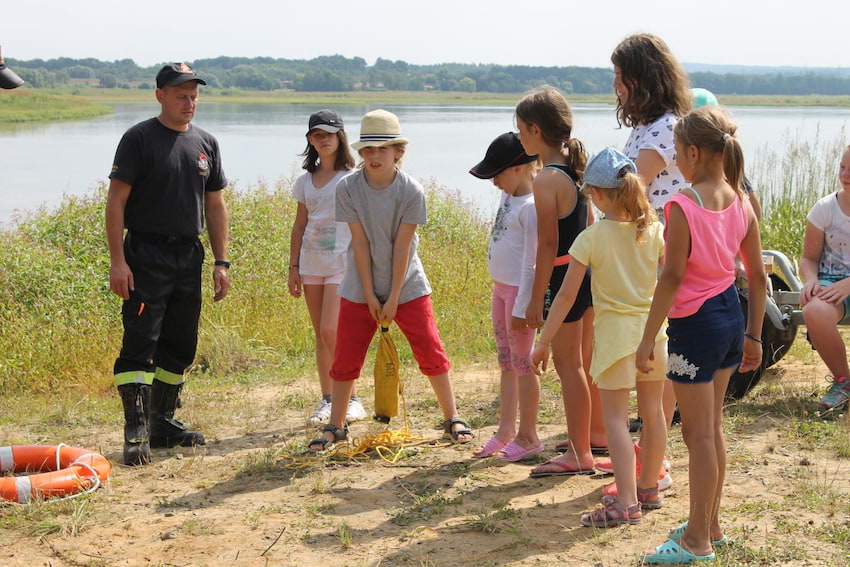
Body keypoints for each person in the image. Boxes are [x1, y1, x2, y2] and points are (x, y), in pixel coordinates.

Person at [635, 106, 766, 563]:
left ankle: (696, 541)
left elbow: (670, 278)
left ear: (692, 152)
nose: (676, 162)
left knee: (698, 435)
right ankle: (710, 523)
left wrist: (648, 336)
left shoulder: (681, 205)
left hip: (694, 329)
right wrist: (754, 336)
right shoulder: (743, 201)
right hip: (731, 319)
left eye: (676, 154)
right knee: (712, 429)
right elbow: (757, 278)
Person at [308, 109, 474, 450]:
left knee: (430, 349)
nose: (373, 156)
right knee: (346, 356)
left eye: (382, 149)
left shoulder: (411, 189)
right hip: (358, 285)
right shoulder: (348, 188)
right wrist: (370, 295)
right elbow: (360, 243)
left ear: (398, 152)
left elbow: (403, 247)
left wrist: (394, 296)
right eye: (367, 150)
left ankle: (452, 416)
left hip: (408, 284)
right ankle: (336, 425)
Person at [532, 148, 667, 526]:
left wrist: (544, 340)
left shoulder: (591, 238)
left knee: (615, 421)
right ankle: (649, 487)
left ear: (601, 194)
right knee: (654, 415)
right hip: (654, 336)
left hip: (616, 342)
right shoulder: (653, 230)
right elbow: (670, 278)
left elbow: (565, 295)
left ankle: (626, 502)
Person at [106, 63, 230, 466]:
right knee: (141, 342)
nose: (189, 102)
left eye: (194, 95)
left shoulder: (206, 142)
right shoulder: (138, 138)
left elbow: (215, 205)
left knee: (180, 344)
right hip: (145, 254)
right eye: (181, 95)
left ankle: (163, 423)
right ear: (160, 95)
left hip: (188, 255)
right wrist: (118, 262)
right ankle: (136, 429)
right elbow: (116, 203)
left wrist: (221, 260)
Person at [606, 33, 691, 493]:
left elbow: (631, 191)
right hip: (654, 250)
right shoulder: (654, 124)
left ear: (640, 78)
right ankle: (653, 460)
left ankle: (653, 466)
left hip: (661, 254)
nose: (615, 85)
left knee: (657, 364)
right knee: (658, 363)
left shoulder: (662, 130)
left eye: (620, 76)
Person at [514, 86, 602, 476]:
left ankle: (579, 453)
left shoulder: (546, 179)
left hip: (564, 276)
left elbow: (548, 243)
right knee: (580, 365)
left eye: (520, 130)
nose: (519, 138)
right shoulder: (574, 169)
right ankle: (582, 445)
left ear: (535, 130)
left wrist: (537, 299)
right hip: (586, 277)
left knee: (570, 368)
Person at [288, 110, 367, 425]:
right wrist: (293, 267)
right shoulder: (304, 181)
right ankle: (328, 398)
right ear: (309, 139)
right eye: (316, 134)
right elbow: (299, 225)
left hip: (342, 265)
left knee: (332, 331)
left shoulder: (353, 177)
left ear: (340, 137)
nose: (323, 139)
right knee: (321, 336)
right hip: (311, 265)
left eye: (329, 134)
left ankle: (352, 398)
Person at [468, 132, 542, 461]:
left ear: (519, 168)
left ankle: (529, 435)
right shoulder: (508, 197)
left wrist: (524, 305)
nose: (494, 181)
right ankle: (505, 430)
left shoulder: (532, 207)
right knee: (506, 363)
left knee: (524, 365)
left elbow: (531, 264)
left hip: (519, 297)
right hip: (500, 289)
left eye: (497, 174)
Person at [800, 144, 850, 411]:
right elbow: (808, 258)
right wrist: (811, 280)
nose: (846, 174)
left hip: (846, 285)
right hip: (831, 284)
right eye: (843, 167)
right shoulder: (825, 208)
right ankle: (844, 382)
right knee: (815, 311)